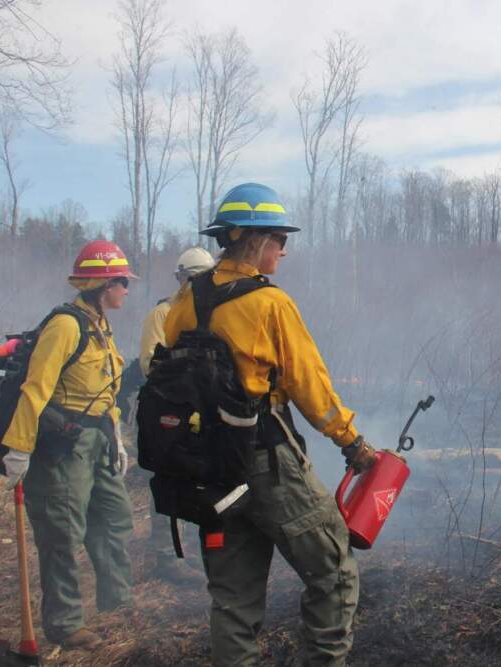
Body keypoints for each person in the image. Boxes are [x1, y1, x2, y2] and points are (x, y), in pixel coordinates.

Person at [163, 183, 377, 666]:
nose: (284, 248)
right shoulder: (269, 303)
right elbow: (310, 388)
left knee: (233, 601)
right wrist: (351, 442)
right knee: (336, 574)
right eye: (280, 237)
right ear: (254, 240)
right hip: (266, 465)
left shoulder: (184, 301)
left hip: (211, 471)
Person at [1, 240, 136, 649]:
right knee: (63, 532)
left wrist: (116, 436)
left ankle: (117, 600)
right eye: (122, 283)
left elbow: (104, 388)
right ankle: (65, 624)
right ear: (102, 284)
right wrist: (19, 448)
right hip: (65, 444)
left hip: (98, 438)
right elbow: (36, 389)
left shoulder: (99, 324)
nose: (126, 290)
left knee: (115, 518)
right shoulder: (66, 325)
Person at [139, 246, 215, 583]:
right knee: (170, 478)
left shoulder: (210, 314)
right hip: (169, 414)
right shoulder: (163, 314)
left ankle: (193, 552)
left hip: (202, 414)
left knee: (199, 480)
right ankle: (166, 556)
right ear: (180, 279)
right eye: (192, 278)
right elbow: (149, 365)